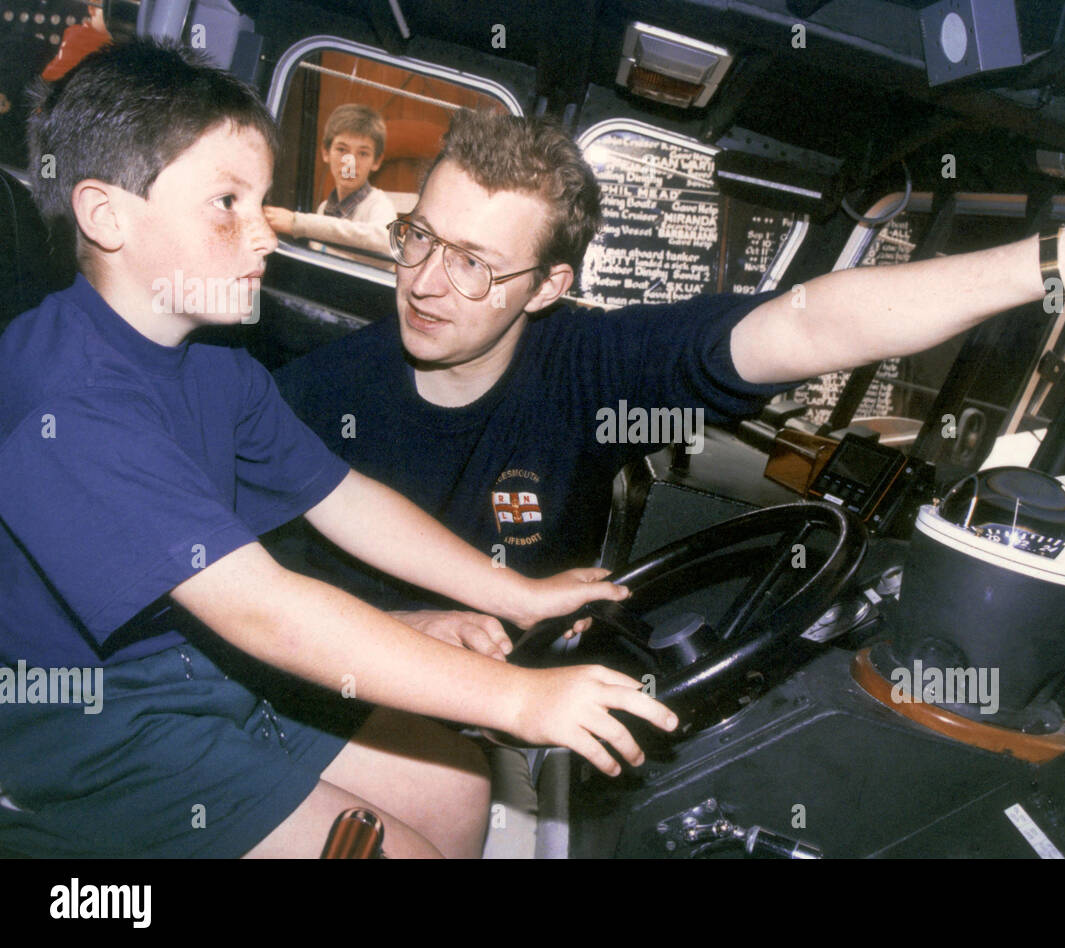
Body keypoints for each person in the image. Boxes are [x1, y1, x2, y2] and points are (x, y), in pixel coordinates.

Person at [0, 40, 676, 860]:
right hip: (91, 739)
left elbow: (343, 495)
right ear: (106, 214)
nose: (264, 238)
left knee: (460, 787)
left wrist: (518, 595)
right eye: (226, 204)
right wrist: (522, 700)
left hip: (204, 677)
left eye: (262, 203)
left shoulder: (212, 361)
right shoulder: (66, 402)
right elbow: (266, 611)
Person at [272, 106, 1065, 652]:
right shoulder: (315, 396)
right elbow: (242, 598)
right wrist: (410, 629)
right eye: (420, 239)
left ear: (549, 288)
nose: (428, 283)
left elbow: (802, 320)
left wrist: (1056, 264)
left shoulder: (583, 363)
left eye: (478, 263)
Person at [263, 103, 397, 266]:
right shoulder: (324, 208)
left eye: (363, 153)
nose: (351, 163)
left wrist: (297, 223)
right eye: (341, 150)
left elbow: (386, 244)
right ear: (326, 153)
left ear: (376, 161)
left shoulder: (379, 204)